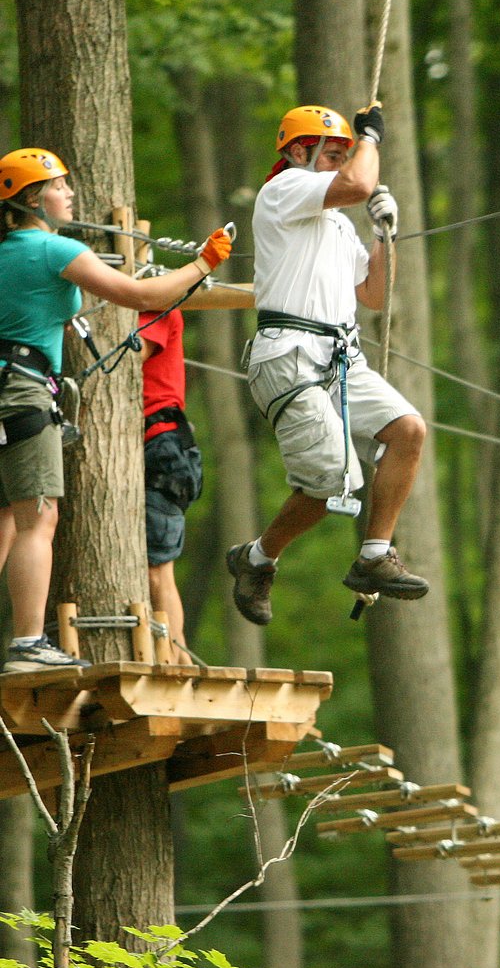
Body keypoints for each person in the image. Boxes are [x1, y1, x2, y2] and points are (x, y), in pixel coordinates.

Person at [0, 147, 231, 672]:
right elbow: (136, 292)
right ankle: (28, 644)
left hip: (5, 387)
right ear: (33, 198)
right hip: (23, 394)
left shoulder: (6, 254)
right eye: (60, 187)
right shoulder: (49, 251)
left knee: (5, 522)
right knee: (38, 516)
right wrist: (203, 263)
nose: (70, 195)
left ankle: (24, 642)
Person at [226, 102, 428, 627]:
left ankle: (374, 556)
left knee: (408, 429)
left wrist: (385, 235)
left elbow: (376, 294)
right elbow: (359, 184)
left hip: (341, 355)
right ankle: (257, 558)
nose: (343, 163)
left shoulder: (336, 226)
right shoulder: (284, 190)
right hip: (289, 355)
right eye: (333, 153)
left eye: (347, 153)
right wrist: (371, 139)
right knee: (334, 481)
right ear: (298, 151)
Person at [140, 305, 202, 654]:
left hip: (164, 449)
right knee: (155, 569)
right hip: (155, 447)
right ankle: (174, 656)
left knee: (156, 570)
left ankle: (175, 659)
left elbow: (126, 359)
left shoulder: (154, 308)